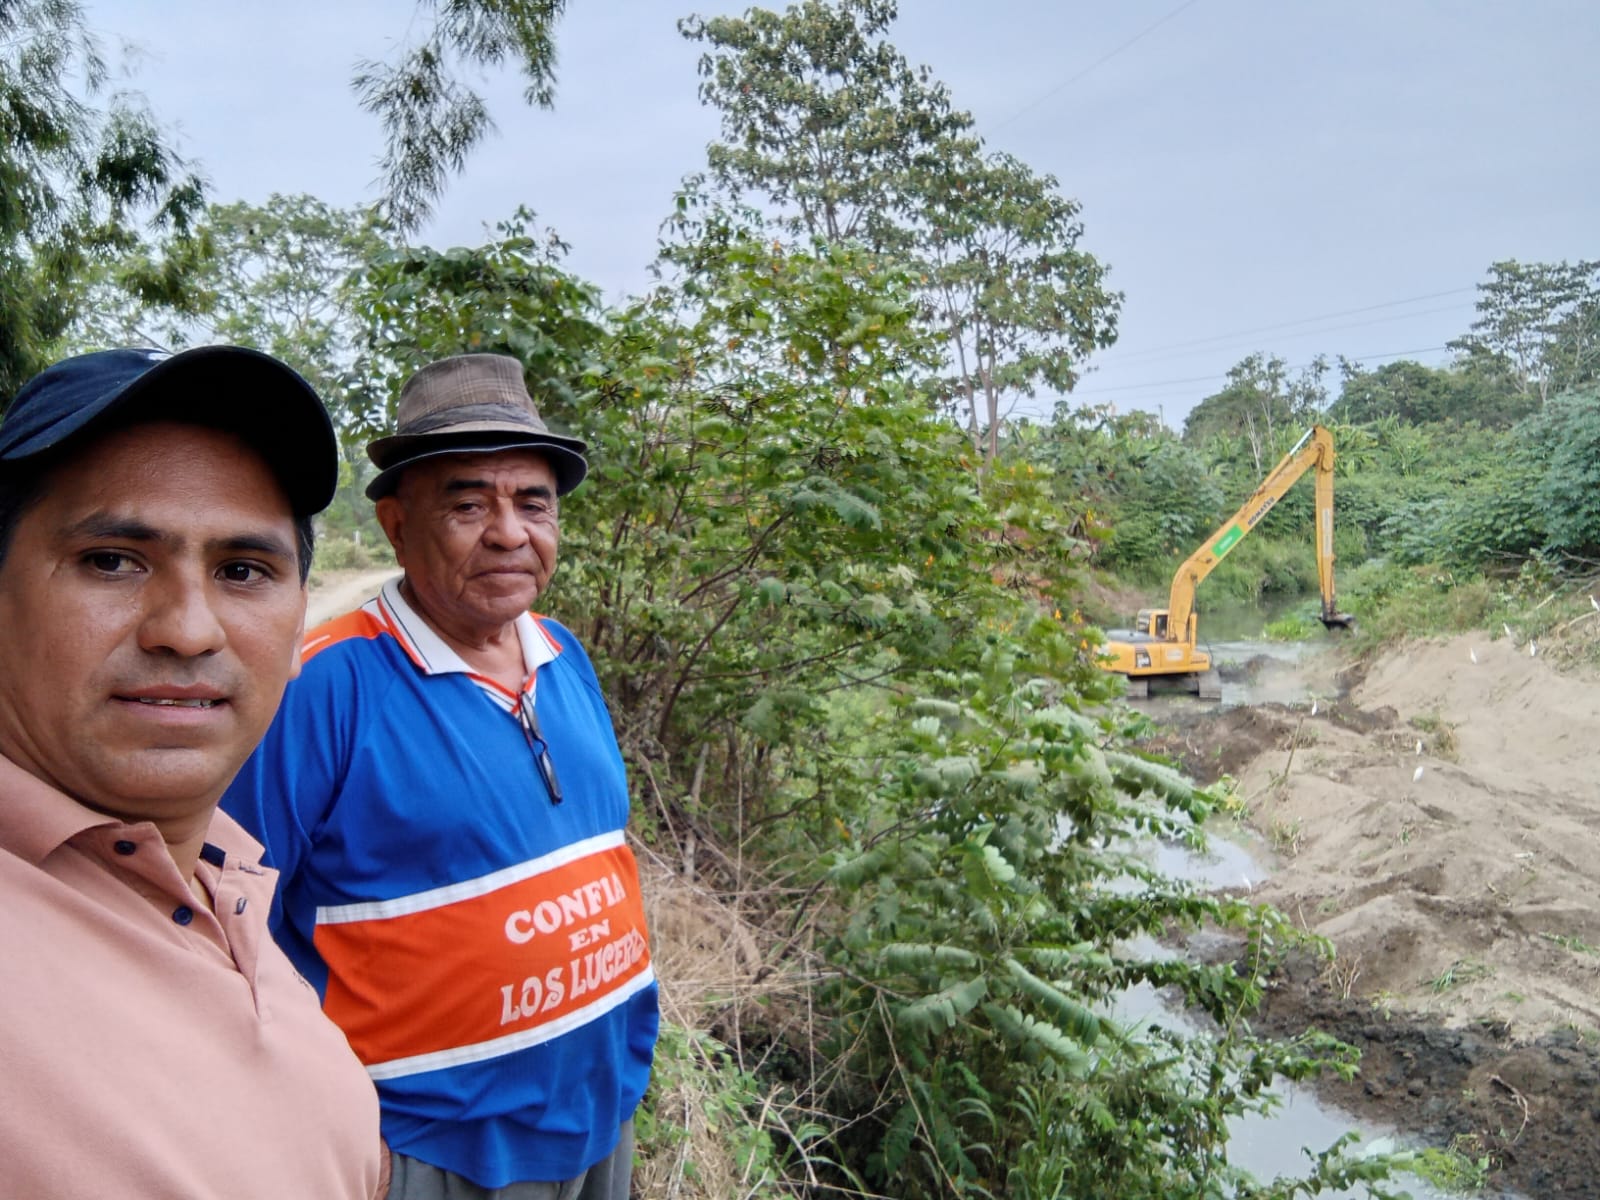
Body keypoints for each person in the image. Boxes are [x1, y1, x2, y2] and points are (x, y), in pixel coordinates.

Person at [224, 353, 658, 1199]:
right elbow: (228, 931)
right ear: (396, 524)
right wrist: (336, 1142)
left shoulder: (564, 654)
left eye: (533, 502)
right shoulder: (321, 688)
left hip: (602, 1119)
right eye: (468, 504)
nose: (509, 532)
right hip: (428, 1151)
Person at [0, 346, 384, 1199]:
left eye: (243, 572)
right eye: (111, 560)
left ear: (297, 631)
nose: (187, 629)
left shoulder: (227, 873)